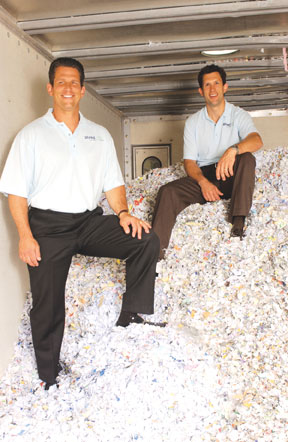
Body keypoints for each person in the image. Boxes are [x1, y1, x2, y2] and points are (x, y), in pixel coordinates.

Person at [0, 57, 163, 390]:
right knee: (47, 302)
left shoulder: (99, 135)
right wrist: (25, 237)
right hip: (47, 227)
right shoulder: (30, 135)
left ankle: (131, 315)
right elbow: (15, 192)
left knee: (146, 240)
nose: (68, 88)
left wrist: (123, 213)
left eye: (74, 82)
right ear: (50, 88)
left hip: (89, 221)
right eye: (61, 82)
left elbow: (113, 184)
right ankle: (49, 375)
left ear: (83, 90)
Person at [152, 64, 263, 260]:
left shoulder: (239, 115)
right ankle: (155, 255)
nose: (212, 89)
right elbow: (190, 163)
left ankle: (238, 223)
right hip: (203, 177)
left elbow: (256, 140)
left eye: (216, 83)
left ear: (225, 87)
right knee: (167, 192)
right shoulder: (193, 122)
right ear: (201, 91)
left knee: (247, 158)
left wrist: (233, 150)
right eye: (207, 85)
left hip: (231, 175)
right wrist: (203, 183)